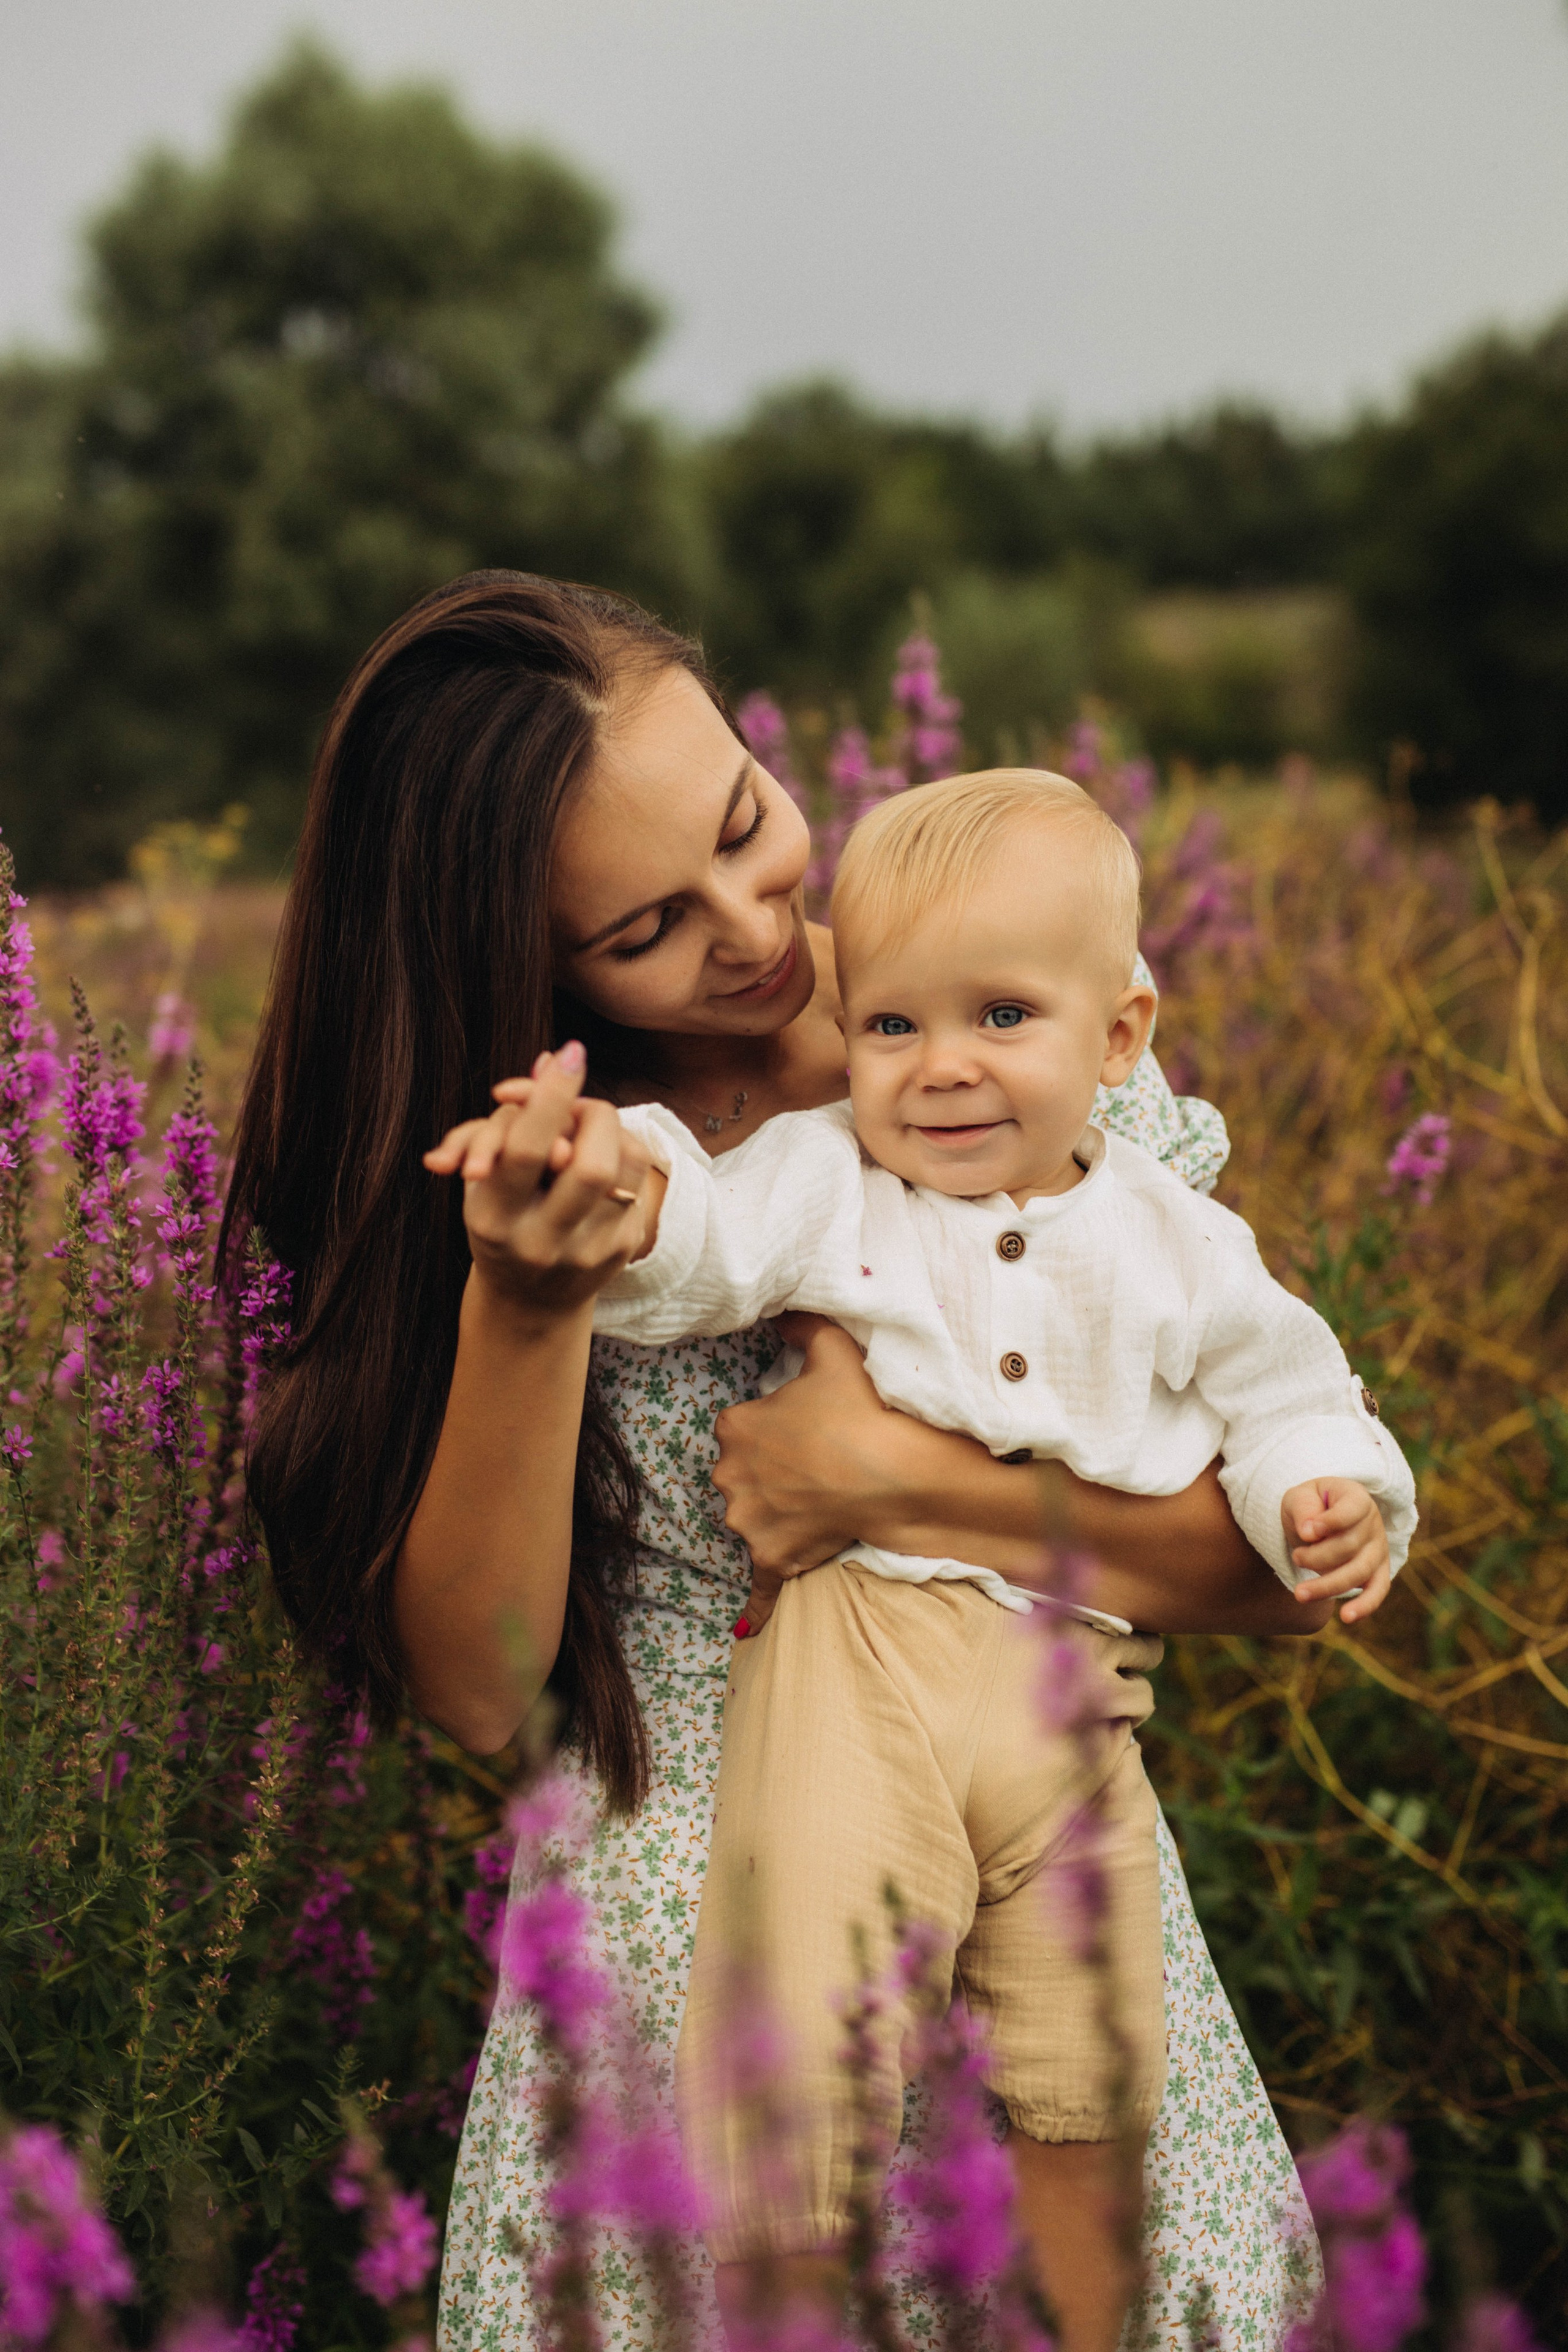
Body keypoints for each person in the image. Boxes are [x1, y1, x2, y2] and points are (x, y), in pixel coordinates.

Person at [225, 573, 1325, 2352]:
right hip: (689, 1995)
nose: (753, 928)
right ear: (527, 961)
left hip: (1032, 1893)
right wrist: (530, 1298)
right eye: (649, 925)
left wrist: (903, 1489)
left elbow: (1259, 1573)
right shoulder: (535, 1166)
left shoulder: (999, 1016)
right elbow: (487, 1689)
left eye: (747, 822)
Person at [448, 766, 1411, 2346]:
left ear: (1118, 1039)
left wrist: (1326, 1492)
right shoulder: (836, 1174)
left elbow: (1282, 1382)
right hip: (854, 1681)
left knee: (1093, 2058)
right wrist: (612, 1193)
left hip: (1071, 1708)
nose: (940, 1069)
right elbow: (710, 1240)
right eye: (892, 1029)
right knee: (801, 2064)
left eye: (1002, 1021)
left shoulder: (1169, 1225)